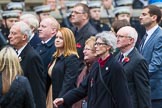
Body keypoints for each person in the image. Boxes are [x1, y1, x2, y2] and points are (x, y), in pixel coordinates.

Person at [53, 31, 132, 108]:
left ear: (108, 47)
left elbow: (122, 96)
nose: (96, 46)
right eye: (96, 44)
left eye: (99, 44)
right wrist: (64, 99)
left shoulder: (115, 66)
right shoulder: (96, 66)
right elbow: (82, 89)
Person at [8, 21, 46, 108]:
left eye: (13, 34)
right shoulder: (14, 52)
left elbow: (37, 88)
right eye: (10, 33)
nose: (9, 36)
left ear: (24, 37)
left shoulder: (32, 57)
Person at [116, 26, 151, 108]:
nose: (117, 39)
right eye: (116, 36)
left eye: (121, 36)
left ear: (131, 40)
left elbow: (143, 91)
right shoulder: (117, 56)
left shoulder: (139, 61)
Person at [47, 27, 82, 108]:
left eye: (61, 38)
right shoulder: (54, 57)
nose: (57, 40)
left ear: (68, 40)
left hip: (62, 97)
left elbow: (68, 82)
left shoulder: (72, 58)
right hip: (50, 93)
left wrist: (60, 99)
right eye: (56, 37)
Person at [139, 5, 162, 108]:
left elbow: (156, 64)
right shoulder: (146, 35)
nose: (140, 17)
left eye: (144, 14)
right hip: (146, 90)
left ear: (154, 17)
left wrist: (138, 76)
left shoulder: (160, 36)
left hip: (155, 90)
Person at [73, 36, 98, 108]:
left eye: (87, 49)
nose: (84, 51)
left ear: (95, 52)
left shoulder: (99, 69)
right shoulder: (85, 68)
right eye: (84, 49)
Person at [36, 17, 60, 85]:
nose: (39, 29)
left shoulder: (56, 47)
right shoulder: (39, 45)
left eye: (43, 27)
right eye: (39, 26)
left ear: (53, 30)